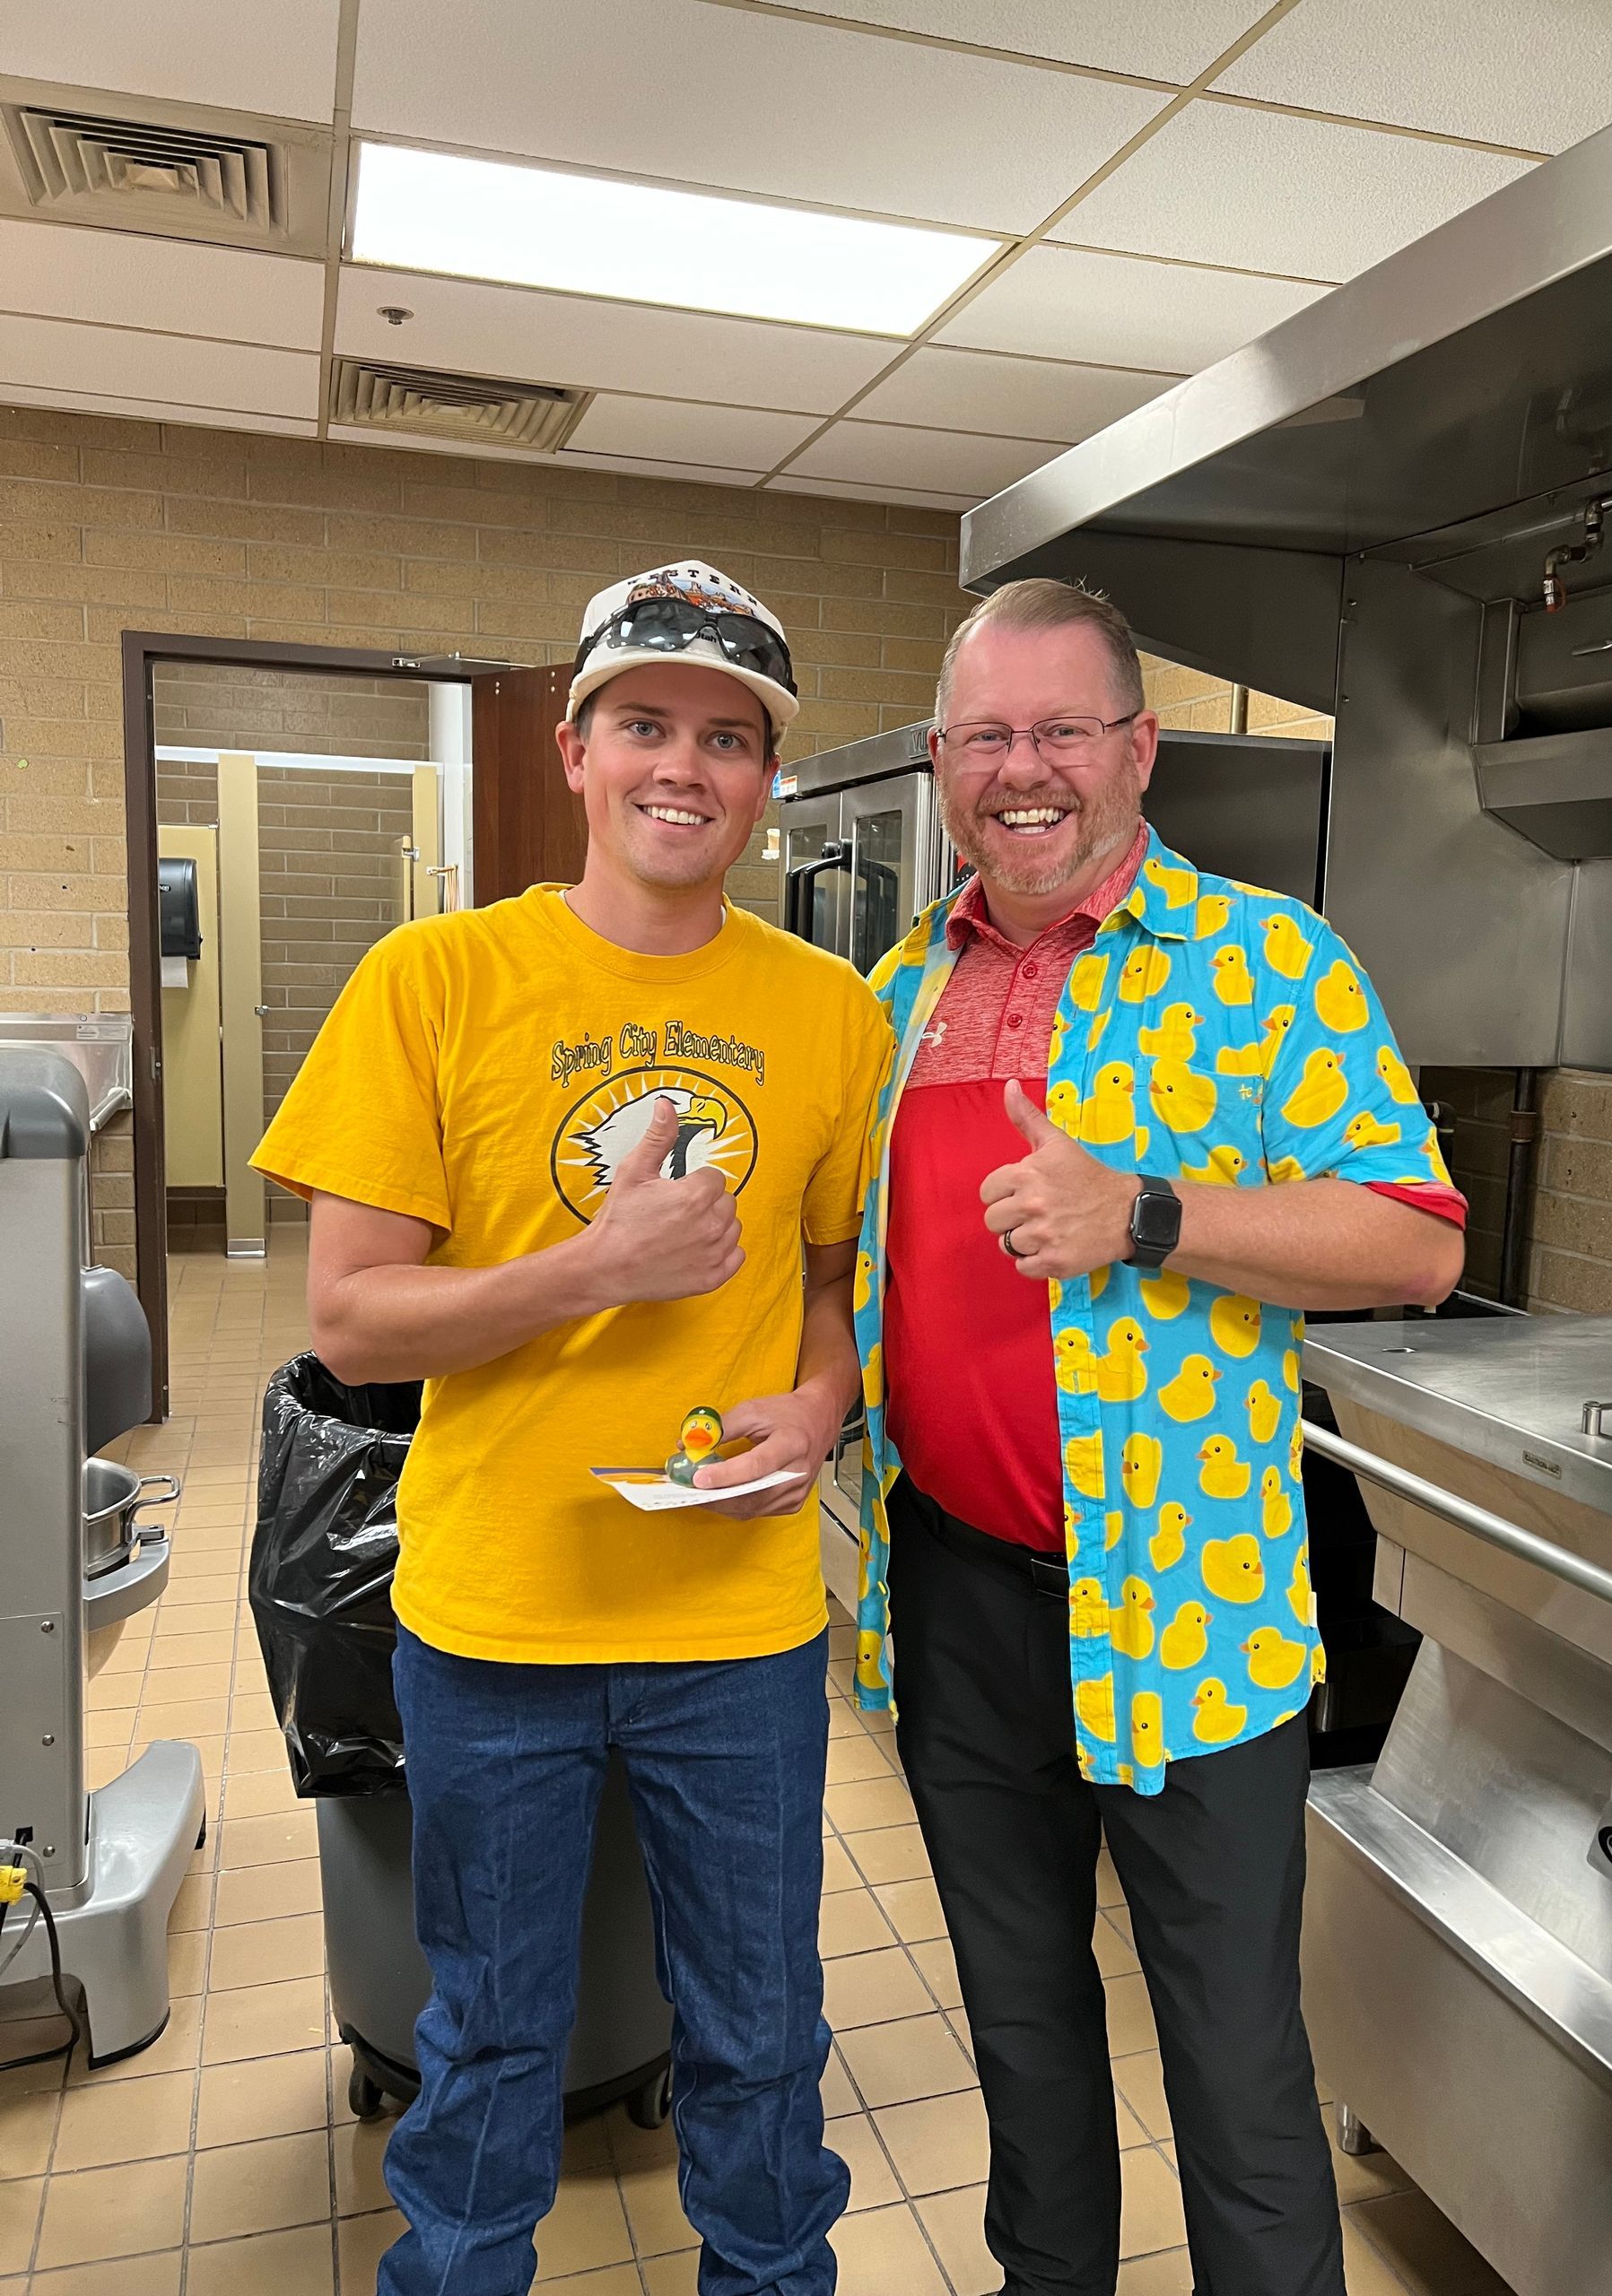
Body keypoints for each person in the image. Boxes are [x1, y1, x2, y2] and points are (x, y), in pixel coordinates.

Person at [254, 560, 893, 2296]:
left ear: (766, 777)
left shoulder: (830, 1014)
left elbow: (833, 1288)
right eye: (646, 724)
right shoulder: (434, 978)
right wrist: (596, 1264)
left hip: (738, 1621)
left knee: (758, 2032)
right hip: (498, 1613)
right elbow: (352, 1317)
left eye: (727, 735)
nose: (684, 765)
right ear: (577, 749)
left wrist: (825, 1401)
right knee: (489, 2035)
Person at [850, 578, 1467, 2296]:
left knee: (1233, 2062)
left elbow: (1418, 1242)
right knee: (1025, 2038)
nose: (1022, 768)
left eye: (1061, 730)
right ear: (940, 762)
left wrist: (1150, 1215)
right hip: (960, 1603)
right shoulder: (902, 985)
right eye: (987, 735)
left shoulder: (1269, 960)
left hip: (1187, 1607)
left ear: (1137, 751)